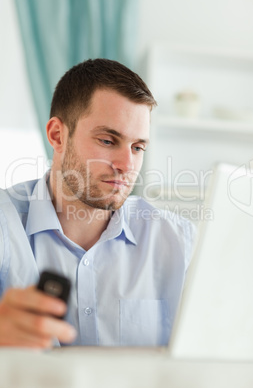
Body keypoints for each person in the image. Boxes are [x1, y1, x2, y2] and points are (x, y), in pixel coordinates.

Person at [0, 58, 195, 348]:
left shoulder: (178, 242)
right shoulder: (6, 225)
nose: (126, 165)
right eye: (107, 140)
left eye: (138, 147)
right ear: (57, 135)